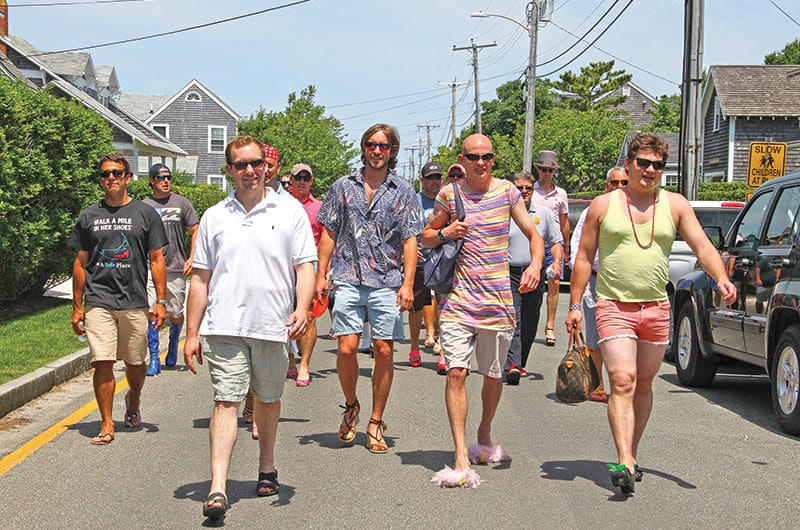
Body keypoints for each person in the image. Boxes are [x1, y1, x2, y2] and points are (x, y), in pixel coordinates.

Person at [566, 132, 737, 495]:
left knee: (643, 384)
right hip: (613, 305)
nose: (649, 170)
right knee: (622, 380)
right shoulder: (603, 204)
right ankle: (624, 459)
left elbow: (702, 245)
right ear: (628, 165)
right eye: (642, 163)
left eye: (657, 165)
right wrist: (575, 304)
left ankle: (633, 453)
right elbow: (583, 258)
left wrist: (720, 277)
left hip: (657, 308)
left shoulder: (674, 205)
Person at [184, 135, 316, 519]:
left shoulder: (289, 211)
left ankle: (267, 465)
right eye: (240, 165)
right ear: (229, 171)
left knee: (269, 400)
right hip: (224, 324)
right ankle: (218, 487)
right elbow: (201, 279)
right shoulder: (214, 216)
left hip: (272, 325)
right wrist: (192, 334)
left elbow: (305, 265)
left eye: (255, 163)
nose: (249, 171)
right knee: (226, 400)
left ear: (266, 166)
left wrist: (303, 308)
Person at [423, 134, 545, 487]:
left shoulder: (507, 192)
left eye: (487, 156)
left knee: (494, 376)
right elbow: (426, 236)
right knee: (457, 373)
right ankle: (461, 453)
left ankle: (484, 432)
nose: (481, 162)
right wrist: (446, 231)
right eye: (474, 156)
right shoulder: (450, 194)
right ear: (463, 158)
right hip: (459, 301)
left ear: (493, 159)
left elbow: (534, 236)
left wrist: (536, 265)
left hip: (497, 302)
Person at [316, 123, 423, 454]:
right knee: (346, 348)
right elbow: (329, 233)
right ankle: (351, 405)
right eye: (372, 145)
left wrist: (407, 284)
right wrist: (322, 275)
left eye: (384, 146)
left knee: (384, 350)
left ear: (393, 151)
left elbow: (410, 239)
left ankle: (376, 422)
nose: (377, 151)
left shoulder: (403, 190)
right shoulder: (342, 186)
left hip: (387, 281)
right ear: (363, 148)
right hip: (348, 275)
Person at [69, 154, 168, 446]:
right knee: (103, 361)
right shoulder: (89, 216)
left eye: (116, 173)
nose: (110, 178)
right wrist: (77, 307)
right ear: (101, 180)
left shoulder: (146, 214)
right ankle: (107, 422)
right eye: (105, 174)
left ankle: (134, 396)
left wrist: (160, 301)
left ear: (127, 178)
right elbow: (80, 262)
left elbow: (157, 259)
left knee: (136, 363)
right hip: (98, 299)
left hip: (135, 300)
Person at [568, 166, 628, 402]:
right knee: (594, 338)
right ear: (607, 186)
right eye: (615, 183)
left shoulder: (638, 212)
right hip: (596, 281)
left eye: (624, 182)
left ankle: (621, 385)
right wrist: (578, 291)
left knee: (620, 337)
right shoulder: (592, 212)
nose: (620, 187)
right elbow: (579, 251)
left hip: (625, 285)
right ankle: (598, 384)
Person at [504, 171, 563, 385]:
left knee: (530, 321)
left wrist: (556, 262)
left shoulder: (544, 214)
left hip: (535, 273)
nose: (524, 192)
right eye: (519, 188)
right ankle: (512, 364)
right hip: (510, 273)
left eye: (528, 188)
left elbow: (556, 241)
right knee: (514, 320)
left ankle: (520, 362)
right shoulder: (504, 212)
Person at [142, 163, 199, 376]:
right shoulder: (144, 206)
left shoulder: (181, 203)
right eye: (160, 177)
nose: (165, 181)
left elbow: (195, 229)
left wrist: (192, 257)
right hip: (151, 268)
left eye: (168, 177)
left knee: (175, 312)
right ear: (151, 180)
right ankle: (154, 357)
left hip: (175, 267)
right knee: (151, 310)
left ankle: (174, 342)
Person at [289, 162, 324, 386]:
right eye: (298, 177)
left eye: (306, 177)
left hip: (310, 266)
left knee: (309, 316)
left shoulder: (320, 207)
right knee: (284, 315)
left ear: (311, 181)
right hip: (283, 267)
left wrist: (323, 273)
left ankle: (305, 364)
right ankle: (290, 360)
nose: (302, 181)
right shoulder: (280, 204)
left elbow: (326, 241)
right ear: (291, 180)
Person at [531, 150, 570, 348]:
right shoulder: (531, 191)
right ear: (538, 170)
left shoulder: (561, 194)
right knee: (533, 285)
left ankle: (550, 325)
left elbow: (564, 223)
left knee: (554, 282)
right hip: (534, 241)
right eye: (544, 169)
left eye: (550, 170)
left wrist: (566, 248)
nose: (547, 173)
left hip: (554, 243)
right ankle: (529, 323)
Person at [409, 161, 443, 370]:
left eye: (437, 177)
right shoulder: (414, 201)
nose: (434, 181)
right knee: (415, 306)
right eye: (430, 178)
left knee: (445, 305)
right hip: (420, 260)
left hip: (442, 261)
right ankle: (414, 347)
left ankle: (444, 347)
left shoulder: (448, 199)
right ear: (422, 180)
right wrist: (410, 249)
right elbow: (403, 227)